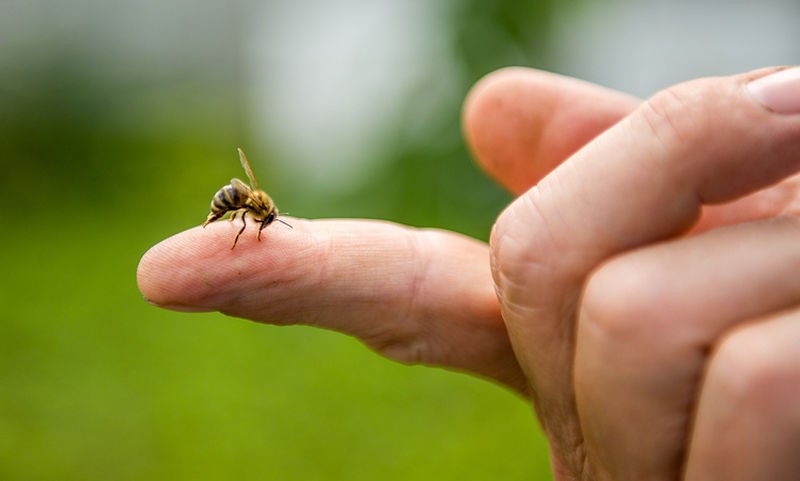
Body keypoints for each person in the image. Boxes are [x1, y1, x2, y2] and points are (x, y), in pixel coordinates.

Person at [137, 66, 800, 480]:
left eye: (256, 215)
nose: (257, 217)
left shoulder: (260, 212)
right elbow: (244, 211)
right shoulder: (249, 209)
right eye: (258, 215)